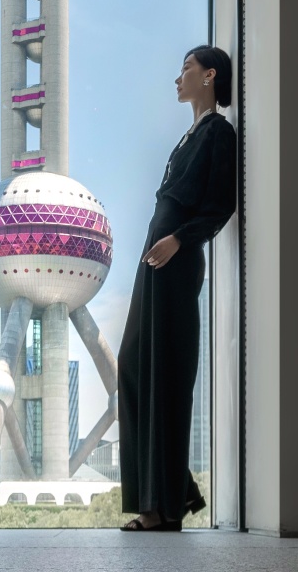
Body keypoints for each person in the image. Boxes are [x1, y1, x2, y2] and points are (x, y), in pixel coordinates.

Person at [117, 45, 238, 531]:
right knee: (134, 366)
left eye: (186, 68)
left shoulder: (218, 134)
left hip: (176, 259)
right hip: (154, 263)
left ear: (209, 76)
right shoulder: (187, 138)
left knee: (164, 376)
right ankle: (168, 495)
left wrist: (178, 241)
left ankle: (161, 508)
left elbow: (219, 207)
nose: (177, 77)